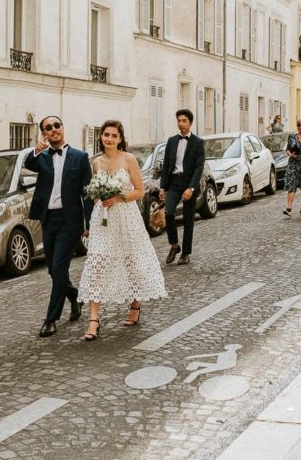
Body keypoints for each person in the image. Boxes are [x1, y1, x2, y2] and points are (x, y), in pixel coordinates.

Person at [79, 121, 168, 340]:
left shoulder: (128, 159)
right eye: (106, 135)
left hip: (127, 217)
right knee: (96, 263)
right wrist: (99, 196)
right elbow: (95, 194)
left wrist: (117, 197)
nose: (109, 139)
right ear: (101, 138)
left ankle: (136, 304)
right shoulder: (96, 162)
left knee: (132, 261)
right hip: (103, 219)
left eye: (113, 135)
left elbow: (139, 191)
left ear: (120, 138)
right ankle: (93, 320)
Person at [24, 116, 93, 338]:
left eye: (56, 126)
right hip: (48, 218)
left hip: (70, 220)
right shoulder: (41, 157)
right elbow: (28, 163)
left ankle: (50, 319)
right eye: (48, 128)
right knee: (53, 270)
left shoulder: (80, 157)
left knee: (60, 267)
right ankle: (74, 296)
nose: (53, 130)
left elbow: (88, 192)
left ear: (63, 128)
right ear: (44, 133)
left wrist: (89, 222)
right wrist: (37, 149)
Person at [159, 109, 205, 266]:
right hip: (174, 183)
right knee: (169, 213)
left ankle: (186, 253)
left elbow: (199, 167)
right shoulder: (172, 141)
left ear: (190, 123)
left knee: (188, 219)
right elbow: (166, 166)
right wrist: (162, 187)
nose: (181, 123)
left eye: (184, 120)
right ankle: (174, 245)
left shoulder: (198, 143)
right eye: (179, 120)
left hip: (189, 184)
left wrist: (191, 188)